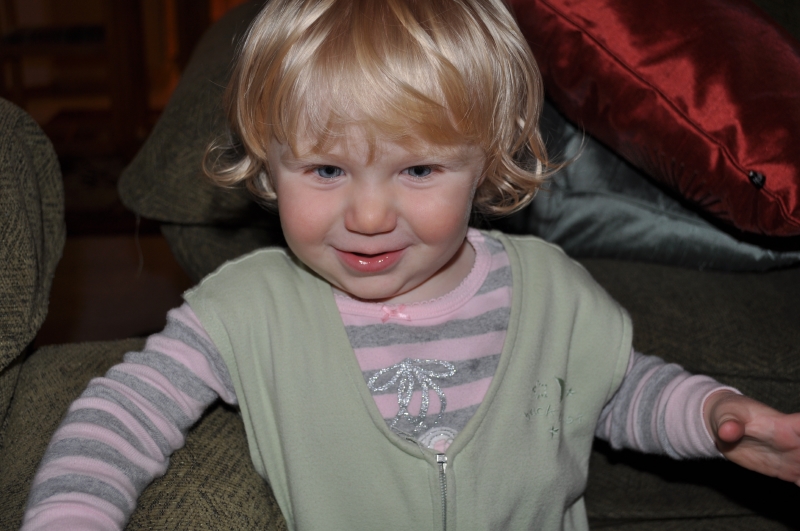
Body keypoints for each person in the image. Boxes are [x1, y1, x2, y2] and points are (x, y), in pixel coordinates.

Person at [21, 0, 800, 529]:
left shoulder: (549, 289)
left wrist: (714, 418)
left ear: (487, 164)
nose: (368, 216)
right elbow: (120, 414)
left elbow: (621, 388)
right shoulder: (246, 310)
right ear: (267, 163)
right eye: (326, 169)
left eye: (419, 169)